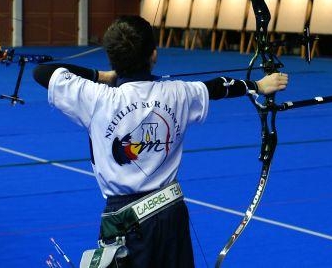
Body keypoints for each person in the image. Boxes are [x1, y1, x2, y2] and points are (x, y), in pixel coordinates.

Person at [32, 15, 288, 268]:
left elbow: (43, 72)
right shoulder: (178, 93)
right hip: (170, 215)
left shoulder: (97, 97)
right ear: (153, 55)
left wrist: (103, 75)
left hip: (125, 222)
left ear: (111, 57)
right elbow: (219, 86)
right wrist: (258, 84)